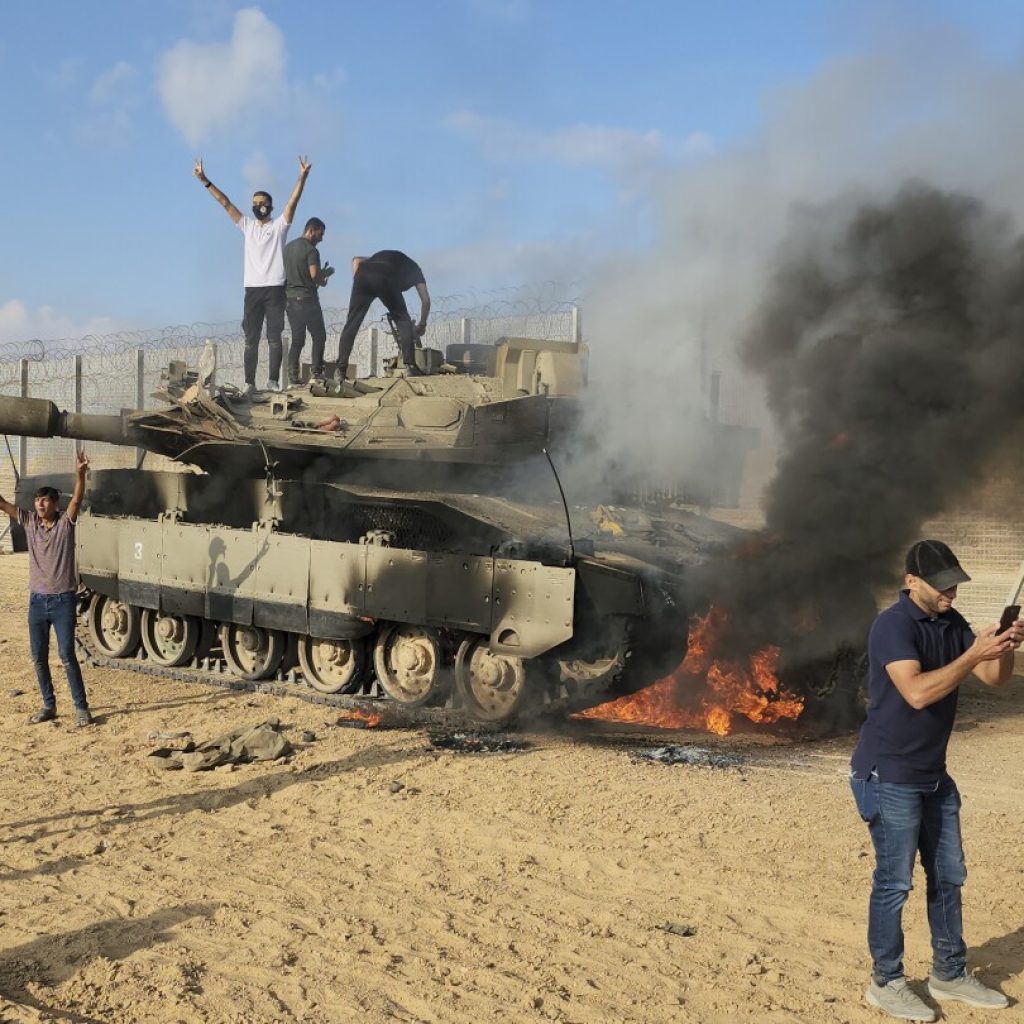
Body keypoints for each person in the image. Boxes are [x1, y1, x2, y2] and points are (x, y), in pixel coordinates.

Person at [850, 539, 1019, 1021]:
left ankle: (949, 972)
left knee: (948, 876)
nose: (952, 591)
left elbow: (994, 678)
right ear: (912, 582)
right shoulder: (893, 626)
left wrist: (1003, 646)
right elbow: (918, 692)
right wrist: (973, 655)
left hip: (933, 775)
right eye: (942, 584)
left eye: (955, 583)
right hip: (889, 775)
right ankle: (886, 981)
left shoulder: (952, 622)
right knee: (894, 882)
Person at [193, 156, 312, 395]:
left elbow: (293, 201)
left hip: (275, 288)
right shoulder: (246, 226)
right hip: (252, 289)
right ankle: (249, 383)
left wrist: (302, 177)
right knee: (251, 338)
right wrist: (205, 180)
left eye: (262, 202)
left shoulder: (279, 226)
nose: (258, 206)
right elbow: (225, 203)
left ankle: (272, 381)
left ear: (270, 205)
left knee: (274, 337)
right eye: (255, 203)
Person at [0, 451, 93, 727]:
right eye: (37, 500)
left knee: (66, 654)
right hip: (37, 602)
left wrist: (79, 475)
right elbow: (4, 505)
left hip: (63, 600)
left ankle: (81, 708)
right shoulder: (29, 522)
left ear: (55, 503)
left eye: (46, 500)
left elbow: (77, 499)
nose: (40, 504)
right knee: (38, 657)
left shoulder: (66, 524)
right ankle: (48, 705)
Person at [335, 250, 430, 377]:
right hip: (385, 276)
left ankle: (340, 370)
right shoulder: (416, 271)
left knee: (352, 322)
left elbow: (356, 260)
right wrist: (422, 324)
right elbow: (426, 300)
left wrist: (360, 286)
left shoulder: (381, 259)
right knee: (403, 320)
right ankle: (410, 366)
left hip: (362, 275)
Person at [283, 217, 334, 386]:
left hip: (290, 300)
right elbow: (314, 274)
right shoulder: (311, 250)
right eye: (320, 234)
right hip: (308, 300)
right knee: (319, 336)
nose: (321, 238)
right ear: (311, 230)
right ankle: (316, 373)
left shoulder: (287, 248)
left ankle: (293, 378)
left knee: (297, 339)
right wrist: (323, 278)